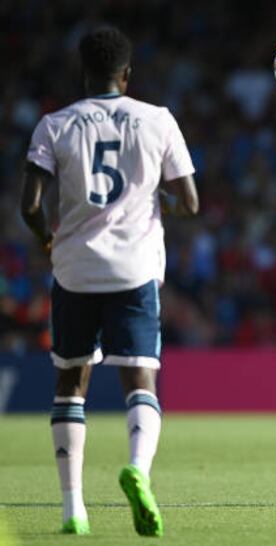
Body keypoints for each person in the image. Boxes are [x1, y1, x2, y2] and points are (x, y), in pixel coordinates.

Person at [21, 26, 199, 536]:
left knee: (70, 383)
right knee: (139, 379)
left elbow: (29, 206)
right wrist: (153, 200)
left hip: (75, 268)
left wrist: (47, 239)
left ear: (84, 73)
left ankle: (72, 508)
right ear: (127, 74)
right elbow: (189, 203)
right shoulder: (157, 120)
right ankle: (138, 471)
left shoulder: (54, 124)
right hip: (134, 267)